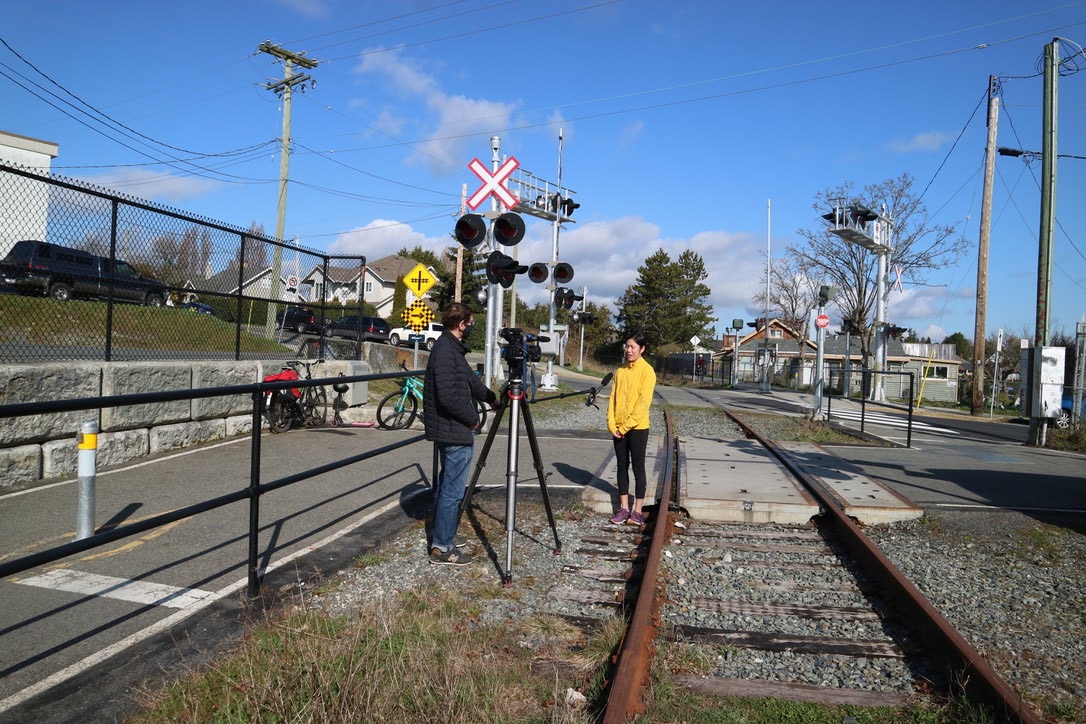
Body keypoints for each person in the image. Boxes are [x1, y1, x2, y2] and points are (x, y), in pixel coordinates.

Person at [423, 302, 498, 565]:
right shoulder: (445, 351)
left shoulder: (453, 349)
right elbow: (447, 397)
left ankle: (444, 536)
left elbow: (470, 381)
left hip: (455, 429)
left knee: (449, 486)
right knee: (452, 491)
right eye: (471, 321)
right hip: (453, 430)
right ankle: (442, 548)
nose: (472, 326)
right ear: (461, 324)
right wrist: (472, 419)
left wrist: (492, 399)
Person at [607, 333, 656, 526]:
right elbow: (612, 399)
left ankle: (638, 510)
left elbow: (643, 404)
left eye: (632, 347)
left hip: (637, 428)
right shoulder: (620, 371)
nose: (628, 350)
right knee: (621, 466)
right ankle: (624, 508)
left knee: (638, 467)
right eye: (626, 346)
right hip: (618, 427)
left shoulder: (648, 371)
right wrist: (612, 424)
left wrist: (625, 427)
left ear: (642, 349)